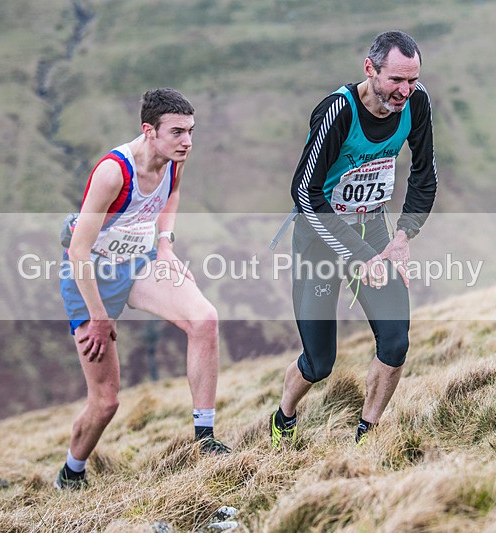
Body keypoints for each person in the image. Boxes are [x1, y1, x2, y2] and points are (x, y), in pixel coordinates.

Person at [56, 88, 229, 490]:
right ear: (148, 131)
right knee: (106, 401)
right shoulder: (113, 171)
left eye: (191, 131)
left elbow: (172, 194)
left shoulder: (174, 159)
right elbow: (78, 251)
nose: (187, 141)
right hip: (90, 277)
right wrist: (99, 317)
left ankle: (204, 440)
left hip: (138, 263)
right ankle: (71, 473)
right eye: (177, 132)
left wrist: (165, 245)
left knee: (205, 320)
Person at [270, 31, 438, 447]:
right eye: (397, 80)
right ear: (370, 70)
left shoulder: (416, 104)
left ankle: (367, 436)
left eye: (412, 80)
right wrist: (361, 255)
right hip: (321, 239)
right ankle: (284, 416)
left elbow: (424, 176)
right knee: (319, 361)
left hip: (374, 231)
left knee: (396, 342)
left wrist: (403, 236)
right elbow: (306, 193)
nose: (405, 91)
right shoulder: (337, 112)